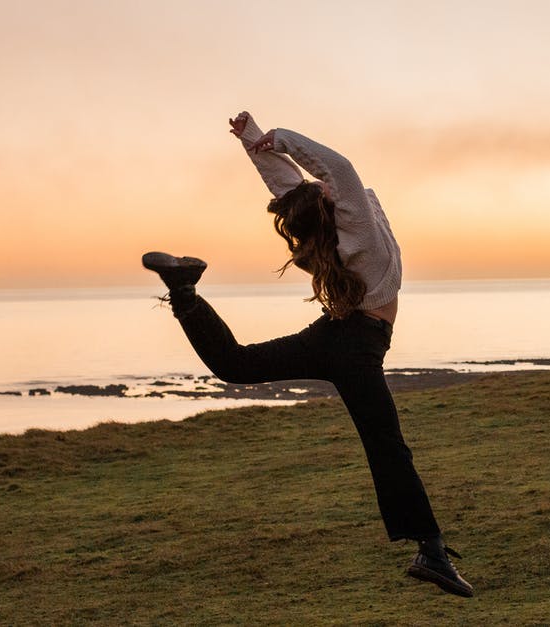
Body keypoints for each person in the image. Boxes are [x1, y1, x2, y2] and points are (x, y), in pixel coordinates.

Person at [140, 111, 472, 597]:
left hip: (336, 338)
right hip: (356, 347)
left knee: (236, 363)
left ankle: (185, 291)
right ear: (331, 205)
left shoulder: (330, 231)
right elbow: (340, 169)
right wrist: (284, 139)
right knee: (388, 448)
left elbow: (295, 188)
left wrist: (255, 140)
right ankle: (433, 553)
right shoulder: (359, 238)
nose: (328, 188)